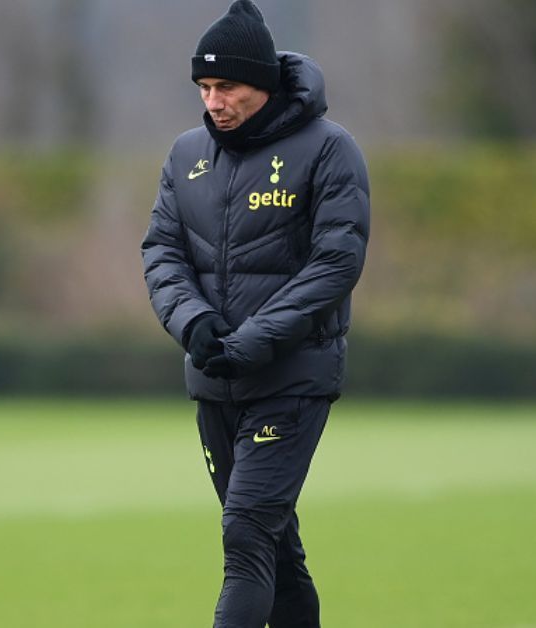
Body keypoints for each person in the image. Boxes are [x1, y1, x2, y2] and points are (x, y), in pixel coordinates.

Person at [140, 1, 370, 626]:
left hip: (291, 378)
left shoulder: (330, 150)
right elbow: (161, 251)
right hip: (213, 376)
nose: (213, 101)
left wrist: (251, 340)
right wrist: (192, 323)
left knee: (244, 535)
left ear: (263, 85)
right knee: (274, 547)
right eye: (205, 88)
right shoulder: (185, 153)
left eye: (227, 87)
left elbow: (336, 264)